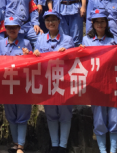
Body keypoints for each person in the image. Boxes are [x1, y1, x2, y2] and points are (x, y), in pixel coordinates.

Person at [80, 9, 117, 154]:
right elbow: (83, 61)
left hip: (114, 83)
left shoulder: (115, 39)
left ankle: (113, 150)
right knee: (99, 119)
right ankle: (102, 150)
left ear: (107, 23)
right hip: (96, 85)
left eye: (102, 21)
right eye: (97, 22)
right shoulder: (86, 41)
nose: (100, 24)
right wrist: (80, 52)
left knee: (115, 118)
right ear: (92, 24)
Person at [33, 10, 74, 153]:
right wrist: (35, 54)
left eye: (53, 20)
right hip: (47, 82)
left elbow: (74, 60)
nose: (50, 23)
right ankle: (55, 145)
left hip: (64, 82)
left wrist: (67, 54)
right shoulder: (40, 39)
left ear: (59, 21)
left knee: (65, 113)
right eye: (48, 20)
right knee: (51, 114)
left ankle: (63, 146)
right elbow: (35, 59)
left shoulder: (68, 40)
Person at [0, 16, 33, 154]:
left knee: (22, 114)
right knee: (10, 114)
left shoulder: (26, 43)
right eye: (9, 27)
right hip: (7, 84)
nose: (12, 30)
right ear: (5, 29)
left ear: (19, 29)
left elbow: (33, 63)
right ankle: (15, 142)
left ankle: (21, 146)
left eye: (15, 27)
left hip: (22, 84)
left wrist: (28, 55)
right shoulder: (1, 43)